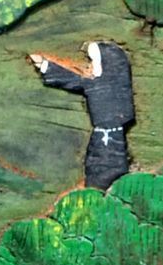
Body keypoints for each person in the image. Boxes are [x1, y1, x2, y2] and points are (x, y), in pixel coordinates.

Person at [29, 39, 137, 188]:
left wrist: (43, 65)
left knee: (106, 165)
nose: (89, 66)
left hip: (108, 139)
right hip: (103, 137)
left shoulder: (107, 86)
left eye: (93, 62)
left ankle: (104, 188)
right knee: (98, 165)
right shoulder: (103, 85)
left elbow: (71, 80)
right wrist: (44, 65)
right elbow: (72, 80)